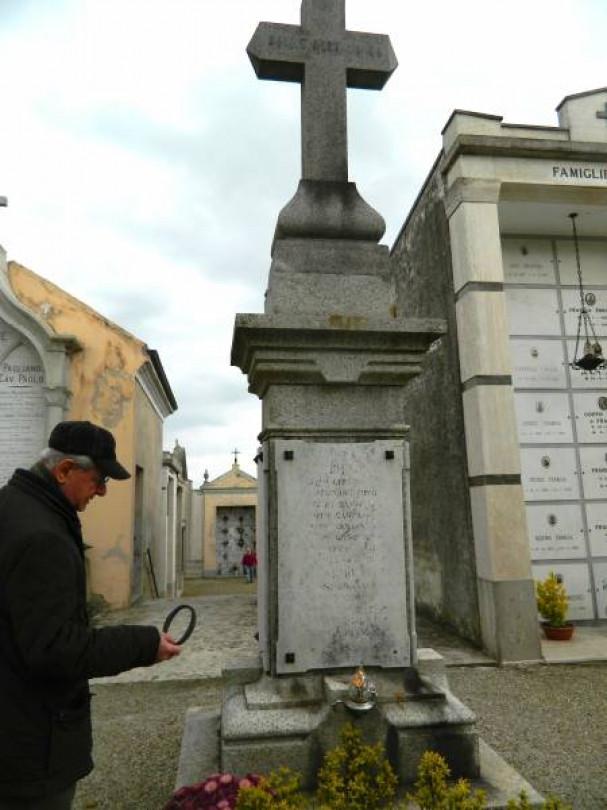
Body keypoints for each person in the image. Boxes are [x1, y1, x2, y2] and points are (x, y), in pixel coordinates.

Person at [0, 420, 181, 809]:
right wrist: (144, 643)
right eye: (98, 479)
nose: (101, 491)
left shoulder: (12, 506)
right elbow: (56, 650)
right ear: (65, 470)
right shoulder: (42, 538)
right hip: (30, 746)